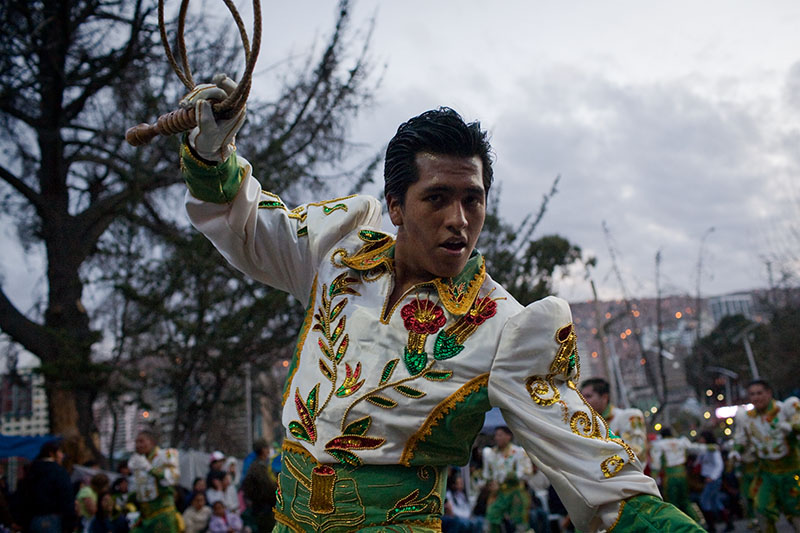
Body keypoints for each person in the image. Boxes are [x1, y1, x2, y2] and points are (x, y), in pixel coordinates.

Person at [178, 78, 704, 531]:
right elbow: (248, 228)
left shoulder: (507, 327)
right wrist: (211, 155)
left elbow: (595, 470)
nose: (459, 219)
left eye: (472, 199)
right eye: (436, 198)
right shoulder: (336, 251)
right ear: (395, 206)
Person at [732, 379, 800, 533]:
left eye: (759, 393)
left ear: (769, 393)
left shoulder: (785, 409)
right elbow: (741, 439)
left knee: (796, 510)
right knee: (762, 509)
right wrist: (736, 451)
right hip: (766, 473)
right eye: (752, 394)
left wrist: (791, 427)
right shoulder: (747, 417)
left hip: (792, 471)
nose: (756, 397)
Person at [15, 439, 76, 533]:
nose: (62, 455)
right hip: (54, 521)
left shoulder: (31, 471)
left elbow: (21, 497)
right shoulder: (59, 471)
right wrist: (70, 523)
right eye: (60, 452)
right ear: (51, 453)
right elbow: (67, 499)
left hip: (32, 521)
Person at [580, 377, 648, 461]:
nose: (583, 401)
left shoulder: (629, 416)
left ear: (604, 397)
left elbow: (636, 454)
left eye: (588, 396)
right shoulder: (585, 425)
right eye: (581, 397)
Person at [128, 430, 180, 533]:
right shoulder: (138, 461)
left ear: (151, 441)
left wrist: (149, 469)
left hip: (163, 515)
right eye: (136, 442)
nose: (138, 445)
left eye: (141, 441)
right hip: (145, 517)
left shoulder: (166, 454)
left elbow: (172, 478)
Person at [649, 428, 704, 524]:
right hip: (683, 475)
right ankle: (697, 521)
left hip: (670, 477)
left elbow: (656, 465)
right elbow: (696, 449)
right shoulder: (681, 442)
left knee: (672, 502)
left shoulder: (659, 445)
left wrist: (653, 480)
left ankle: (679, 525)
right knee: (685, 500)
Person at [481, 426, 531, 532]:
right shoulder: (490, 453)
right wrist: (490, 484)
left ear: (509, 436)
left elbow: (525, 473)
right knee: (491, 518)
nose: (496, 438)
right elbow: (487, 474)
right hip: (498, 493)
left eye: (500, 435)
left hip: (515, 492)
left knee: (520, 522)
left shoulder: (519, 452)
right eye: (496, 435)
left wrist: (510, 476)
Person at [241, 438, 277, 533]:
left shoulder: (263, 465)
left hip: (267, 508)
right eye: (267, 447)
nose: (269, 450)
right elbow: (268, 488)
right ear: (262, 450)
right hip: (263, 510)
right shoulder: (258, 468)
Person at [695, 431, 727, 531]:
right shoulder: (705, 449)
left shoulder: (713, 449)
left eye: (702, 438)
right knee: (715, 502)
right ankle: (727, 522)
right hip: (709, 478)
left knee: (704, 501)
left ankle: (711, 526)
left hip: (713, 479)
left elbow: (719, 465)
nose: (700, 440)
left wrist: (712, 477)